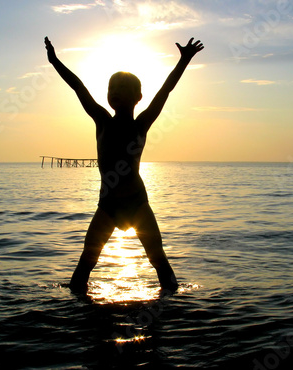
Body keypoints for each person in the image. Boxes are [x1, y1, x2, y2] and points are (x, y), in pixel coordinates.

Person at [44, 36, 204, 293]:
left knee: (159, 260)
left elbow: (166, 91)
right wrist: (54, 61)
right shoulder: (102, 121)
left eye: (122, 87)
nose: (115, 91)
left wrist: (183, 61)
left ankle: (172, 307)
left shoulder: (141, 124)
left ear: (138, 97)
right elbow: (78, 86)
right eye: (111, 87)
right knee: (86, 261)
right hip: (107, 206)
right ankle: (78, 312)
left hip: (137, 204)